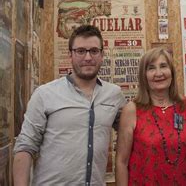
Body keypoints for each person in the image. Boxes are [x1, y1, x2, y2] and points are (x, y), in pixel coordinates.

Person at [13, 24, 126, 186]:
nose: (88, 57)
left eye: (94, 51)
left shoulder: (114, 95)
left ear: (102, 55)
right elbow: (25, 147)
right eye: (80, 51)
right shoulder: (45, 94)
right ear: (70, 55)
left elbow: (133, 133)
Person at [115, 48, 186, 185]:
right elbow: (121, 162)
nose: (158, 73)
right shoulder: (132, 110)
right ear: (144, 76)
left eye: (163, 66)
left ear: (172, 72)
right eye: (151, 68)